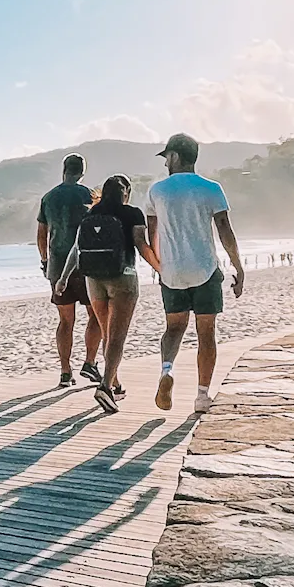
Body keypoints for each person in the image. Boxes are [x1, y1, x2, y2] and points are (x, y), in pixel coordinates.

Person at [146, 133, 245, 415]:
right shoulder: (211, 188)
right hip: (204, 269)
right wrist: (238, 265)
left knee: (174, 328)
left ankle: (167, 370)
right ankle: (202, 396)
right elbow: (224, 229)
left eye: (166, 157)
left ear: (175, 156)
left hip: (172, 271)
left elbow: (151, 232)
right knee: (206, 333)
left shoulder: (157, 191)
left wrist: (159, 265)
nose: (165, 163)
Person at [55, 174, 161, 414]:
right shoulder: (132, 213)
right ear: (126, 193)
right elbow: (140, 244)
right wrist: (160, 268)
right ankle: (105, 386)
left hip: (94, 281)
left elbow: (77, 249)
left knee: (106, 333)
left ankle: (115, 382)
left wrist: (63, 279)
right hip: (123, 277)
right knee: (117, 337)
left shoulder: (90, 215)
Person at [36, 153, 103, 387]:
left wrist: (45, 261)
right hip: (86, 265)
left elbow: (42, 234)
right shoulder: (90, 196)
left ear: (64, 170)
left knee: (66, 321)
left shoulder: (49, 197)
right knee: (95, 315)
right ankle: (90, 362)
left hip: (57, 265)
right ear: (82, 172)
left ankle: (66, 371)